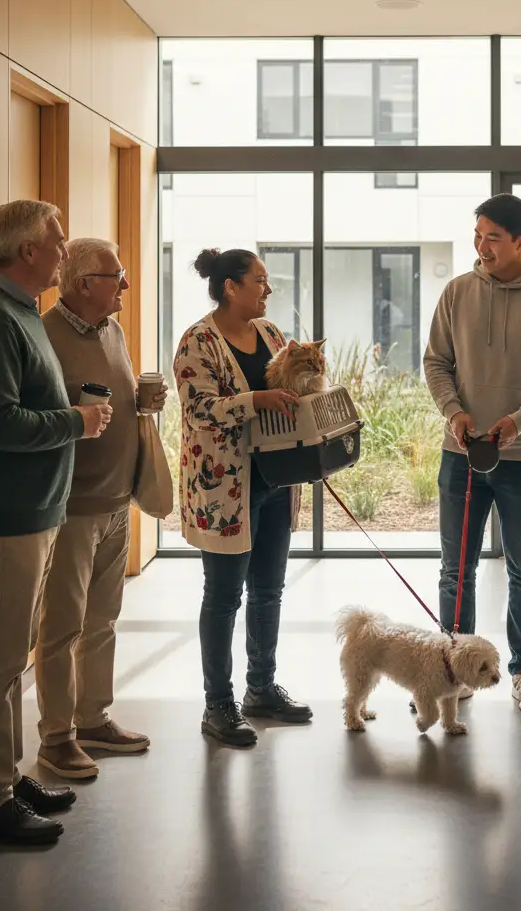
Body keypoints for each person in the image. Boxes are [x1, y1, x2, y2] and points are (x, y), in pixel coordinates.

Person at [0, 201, 112, 845]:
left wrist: (69, 413)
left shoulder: (18, 311)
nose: (66, 249)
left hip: (29, 514)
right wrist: (77, 421)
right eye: (58, 240)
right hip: (3, 517)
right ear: (27, 252)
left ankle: (7, 779)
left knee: (11, 656)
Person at [424, 194, 521, 715]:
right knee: (455, 570)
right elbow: (436, 363)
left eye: (493, 237)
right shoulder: (457, 292)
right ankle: (452, 670)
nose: (481, 245)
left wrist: (520, 421)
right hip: (461, 454)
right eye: (478, 234)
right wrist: (454, 413)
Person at [35, 239, 166, 779]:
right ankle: (56, 737)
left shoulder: (112, 329)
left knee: (103, 619)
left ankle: (92, 718)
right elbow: (39, 413)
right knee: (62, 625)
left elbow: (116, 396)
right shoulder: (45, 334)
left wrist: (142, 400)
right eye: (118, 275)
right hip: (72, 505)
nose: (126, 286)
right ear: (84, 283)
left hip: (117, 501)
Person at [173, 248, 312, 747]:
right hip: (223, 491)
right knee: (224, 597)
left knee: (269, 591)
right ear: (231, 286)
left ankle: (261, 689)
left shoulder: (272, 335)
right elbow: (200, 410)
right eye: (260, 280)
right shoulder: (198, 341)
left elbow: (294, 390)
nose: (268, 289)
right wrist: (257, 400)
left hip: (275, 483)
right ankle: (218, 705)